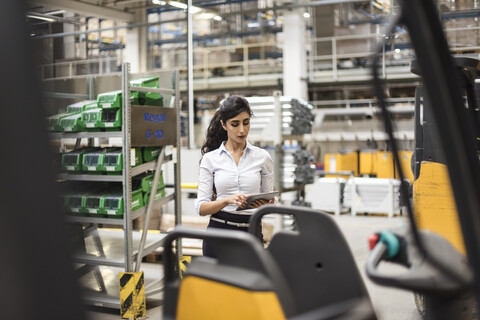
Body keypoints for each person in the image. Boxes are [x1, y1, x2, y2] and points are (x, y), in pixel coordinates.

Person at [195, 95, 275, 257]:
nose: (242, 130)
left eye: (246, 123)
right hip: (219, 233)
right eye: (235, 124)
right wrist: (226, 200)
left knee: (250, 281)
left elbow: (271, 202)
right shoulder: (210, 159)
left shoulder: (262, 157)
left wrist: (266, 204)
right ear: (223, 125)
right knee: (217, 283)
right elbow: (201, 208)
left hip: (251, 232)